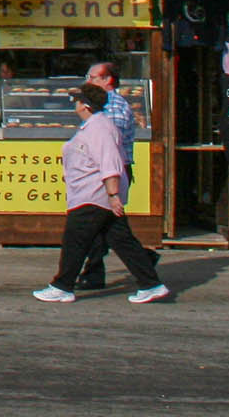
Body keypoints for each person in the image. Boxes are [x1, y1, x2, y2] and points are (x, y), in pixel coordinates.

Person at [33, 84, 166, 304]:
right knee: (122, 241)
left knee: (75, 241)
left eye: (77, 100)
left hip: (94, 196)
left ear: (85, 105)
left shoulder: (100, 128)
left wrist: (113, 195)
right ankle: (151, 284)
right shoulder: (94, 126)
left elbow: (110, 162)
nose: (75, 104)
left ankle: (62, 286)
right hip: (96, 194)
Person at [73, 60, 137, 290]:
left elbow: (110, 144)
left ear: (107, 80)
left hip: (111, 171)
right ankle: (140, 261)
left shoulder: (114, 105)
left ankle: (91, 273)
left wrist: (111, 186)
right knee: (108, 225)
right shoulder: (103, 105)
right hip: (103, 170)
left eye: (92, 77)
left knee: (99, 222)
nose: (88, 81)